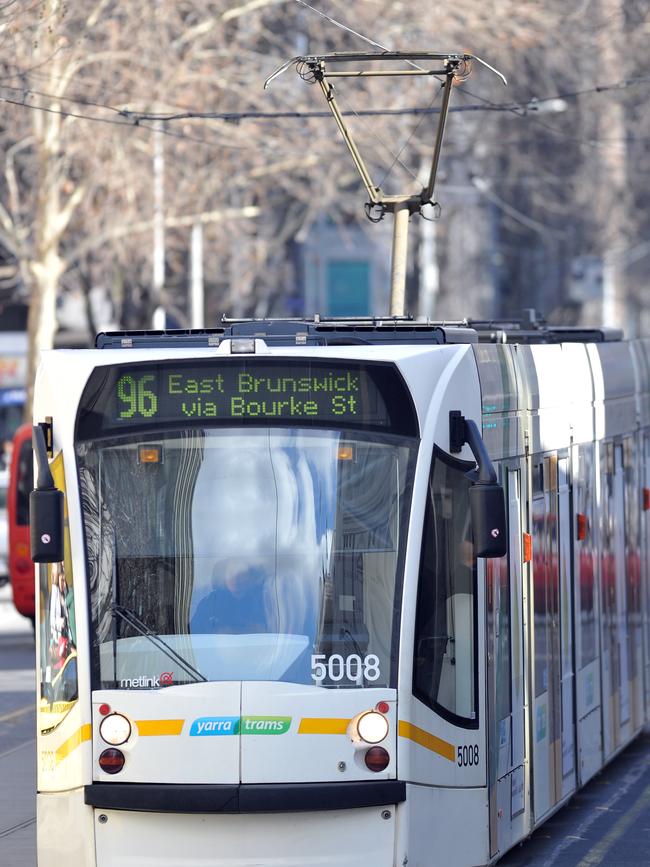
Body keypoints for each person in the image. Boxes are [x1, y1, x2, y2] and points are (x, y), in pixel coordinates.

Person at [190, 560, 271, 635]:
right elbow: (193, 632)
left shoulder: (265, 601)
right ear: (224, 578)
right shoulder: (211, 602)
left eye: (241, 574)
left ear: (251, 577)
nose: (235, 579)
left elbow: (271, 631)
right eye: (230, 574)